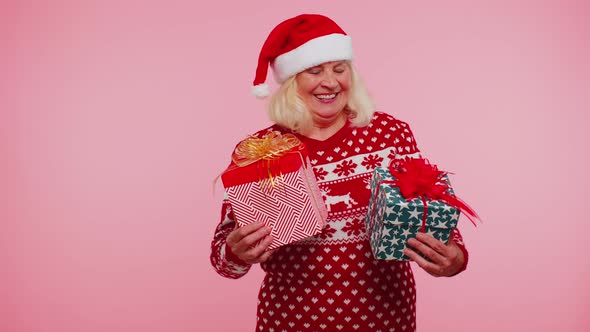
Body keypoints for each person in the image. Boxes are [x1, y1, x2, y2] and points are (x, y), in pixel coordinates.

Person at [210, 14, 469, 332]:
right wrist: (237, 252)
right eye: (314, 70)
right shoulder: (260, 150)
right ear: (292, 81)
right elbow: (224, 262)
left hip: (385, 319)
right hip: (291, 321)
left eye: (339, 68)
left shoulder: (390, 134)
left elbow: (431, 210)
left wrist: (452, 257)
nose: (330, 82)